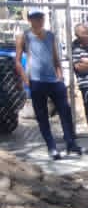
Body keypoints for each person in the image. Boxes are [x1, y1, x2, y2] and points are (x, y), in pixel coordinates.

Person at [13, 11, 80, 159]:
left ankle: (70, 143)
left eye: (41, 17)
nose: (39, 20)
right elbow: (17, 61)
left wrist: (60, 76)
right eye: (36, 18)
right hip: (36, 81)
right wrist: (26, 80)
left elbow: (55, 58)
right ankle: (51, 147)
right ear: (29, 19)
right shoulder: (24, 36)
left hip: (54, 81)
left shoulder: (50, 35)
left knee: (65, 111)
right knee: (42, 116)